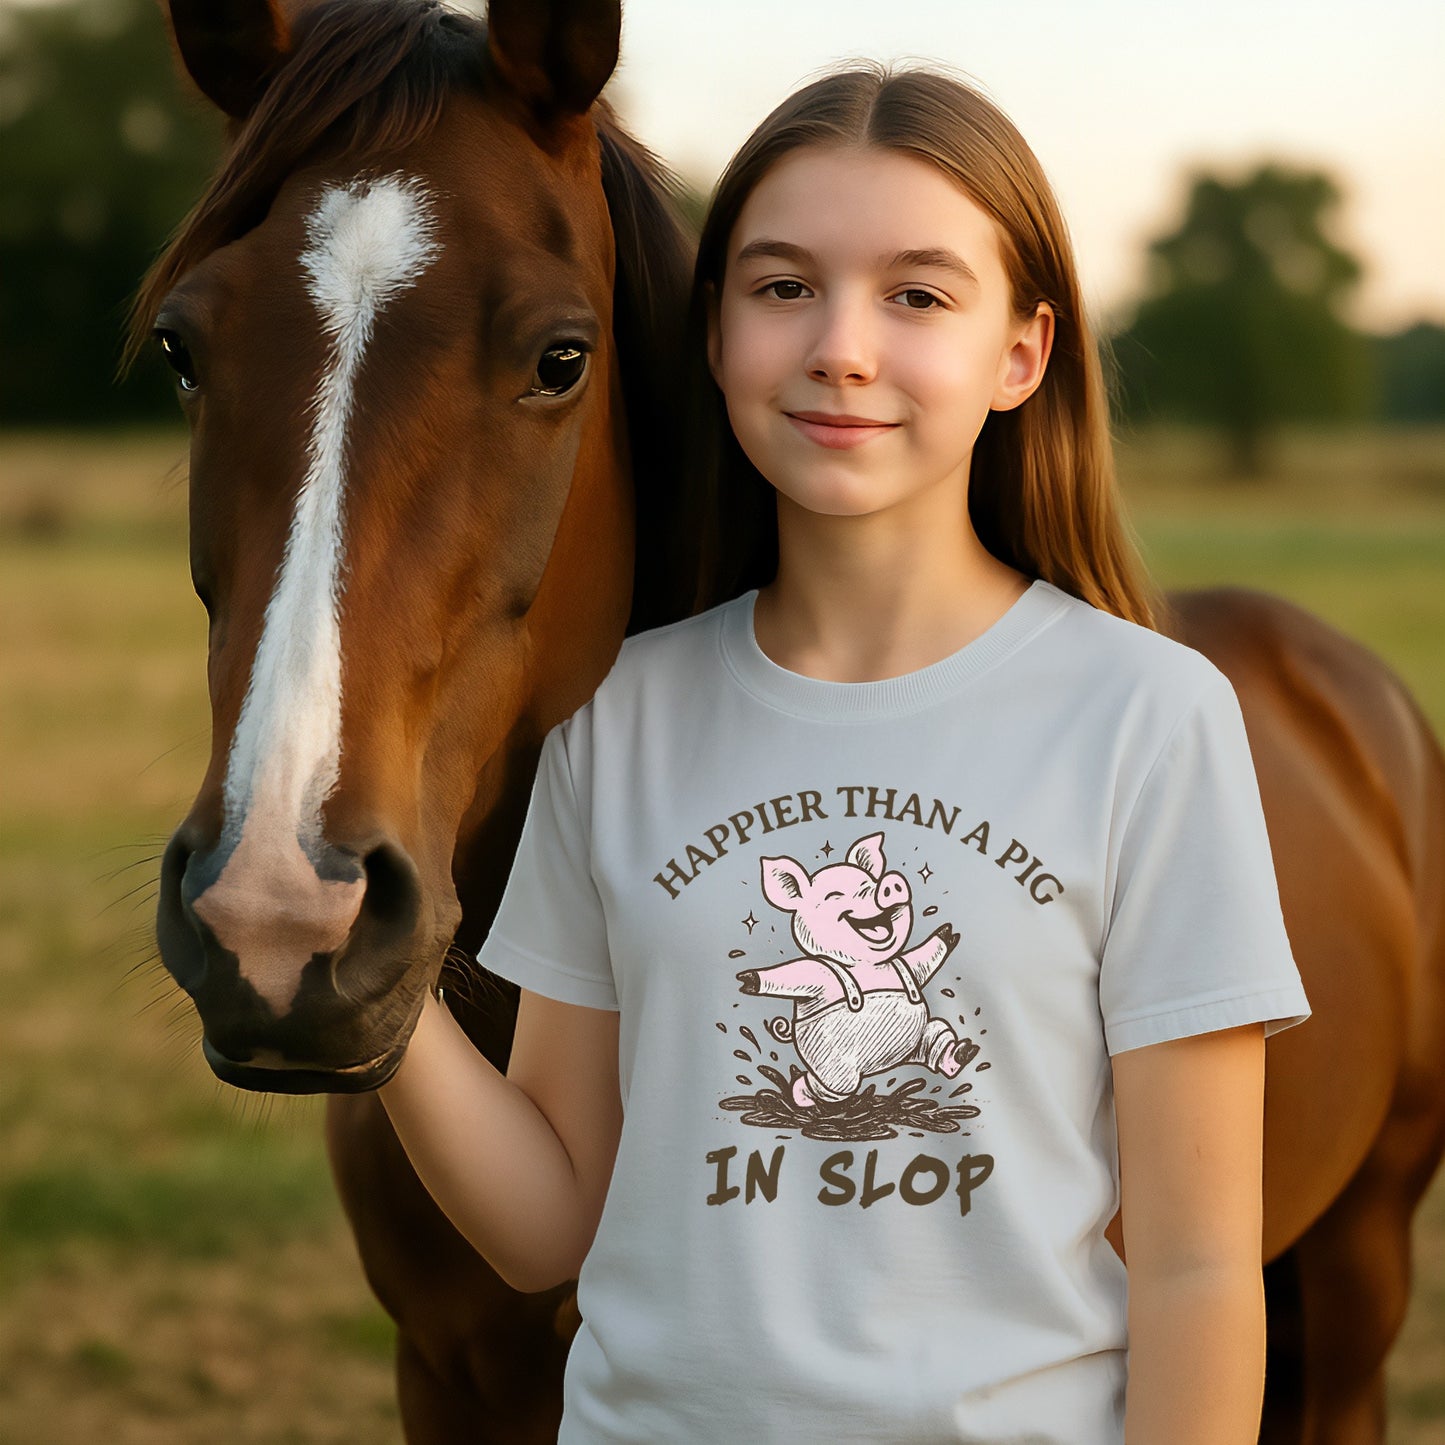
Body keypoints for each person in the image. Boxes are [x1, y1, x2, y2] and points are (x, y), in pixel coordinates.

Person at [379, 62, 1311, 1443]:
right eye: (782, 286)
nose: (842, 348)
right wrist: (375, 987)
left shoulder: (1147, 718)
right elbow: (548, 1223)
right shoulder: (615, 717)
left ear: (1022, 354)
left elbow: (1197, 1270)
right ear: (714, 333)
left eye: (917, 295)